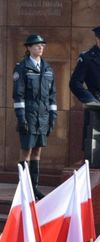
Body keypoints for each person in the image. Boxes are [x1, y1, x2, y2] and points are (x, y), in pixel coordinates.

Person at [12, 34, 57, 199]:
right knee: (26, 151)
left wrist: (53, 117)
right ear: (28, 48)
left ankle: (34, 187)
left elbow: (52, 95)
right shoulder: (22, 67)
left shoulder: (48, 68)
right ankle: (23, 188)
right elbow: (18, 96)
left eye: (42, 45)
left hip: (43, 117)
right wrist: (21, 118)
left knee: (37, 151)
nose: (40, 47)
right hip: (29, 116)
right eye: (37, 45)